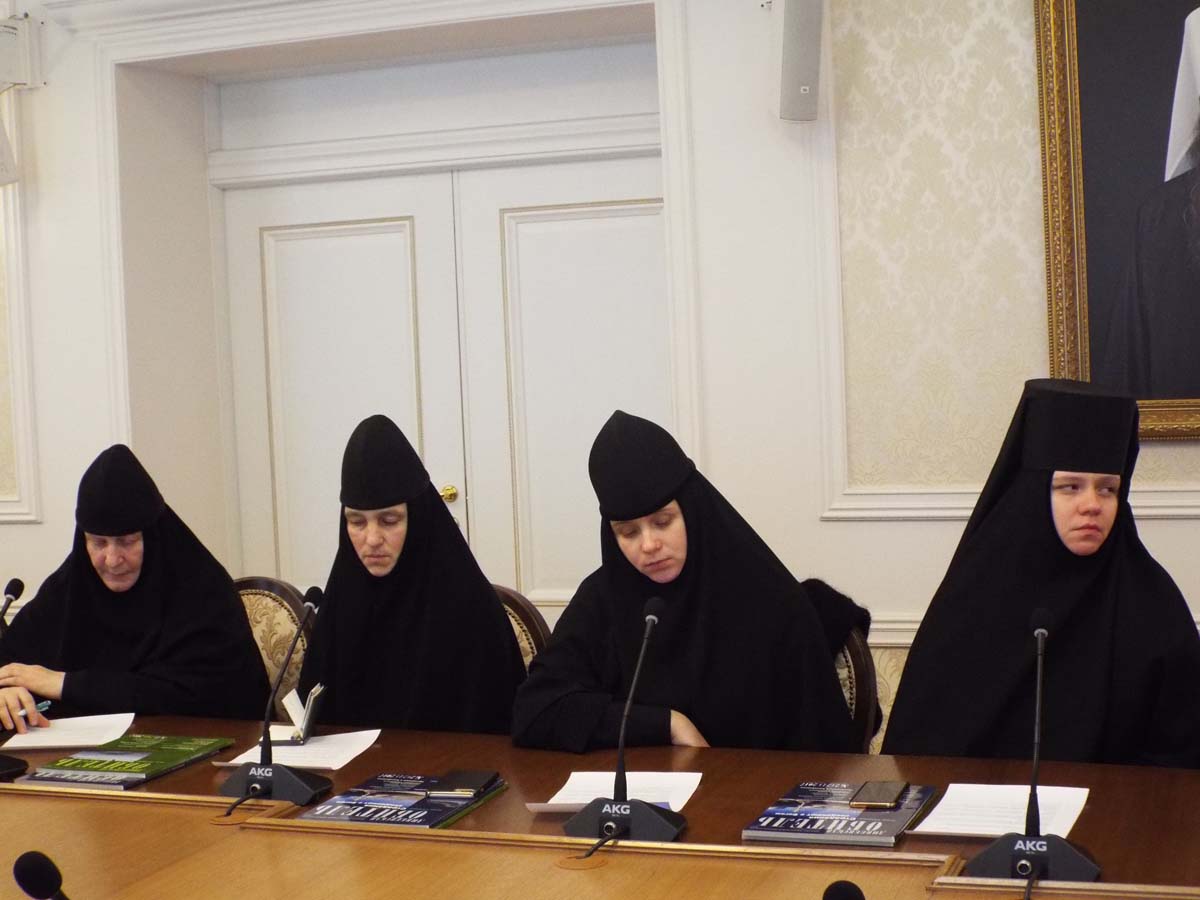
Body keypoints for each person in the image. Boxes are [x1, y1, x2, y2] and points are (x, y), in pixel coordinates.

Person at [883, 379, 1200, 766]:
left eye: (1108, 489)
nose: (1092, 505)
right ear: (1033, 493)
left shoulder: (1154, 607)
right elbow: (917, 753)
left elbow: (1183, 761)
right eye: (1070, 487)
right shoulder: (973, 600)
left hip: (1118, 804)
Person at [512, 410, 868, 753]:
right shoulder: (603, 597)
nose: (648, 545)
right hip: (641, 792)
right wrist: (666, 724)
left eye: (663, 522)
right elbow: (535, 711)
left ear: (693, 510)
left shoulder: (769, 599)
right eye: (628, 532)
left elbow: (821, 756)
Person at [0, 445, 270, 730]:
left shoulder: (203, 592)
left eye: (127, 542)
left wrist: (67, 684)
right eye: (98, 542)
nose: (112, 559)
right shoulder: (69, 588)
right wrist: (5, 692)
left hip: (199, 747)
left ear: (153, 537)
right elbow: (10, 660)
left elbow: (202, 696)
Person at [297, 414, 525, 733]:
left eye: (389, 521)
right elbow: (312, 726)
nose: (372, 539)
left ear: (418, 520)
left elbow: (492, 736)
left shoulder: (470, 610)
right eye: (357, 522)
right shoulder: (339, 606)